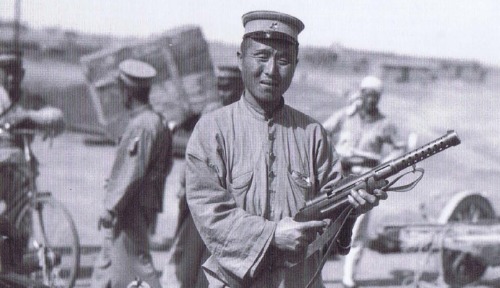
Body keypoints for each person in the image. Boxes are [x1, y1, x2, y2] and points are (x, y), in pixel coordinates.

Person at [184, 11, 387, 288]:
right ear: (240, 58)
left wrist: (352, 210)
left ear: (295, 65)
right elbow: (210, 213)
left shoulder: (313, 134)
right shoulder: (211, 130)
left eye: (283, 60)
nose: (271, 70)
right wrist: (271, 235)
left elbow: (332, 217)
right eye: (262, 56)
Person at [91, 59, 173, 288]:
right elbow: (165, 166)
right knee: (107, 265)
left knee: (139, 269)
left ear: (127, 91)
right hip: (139, 204)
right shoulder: (158, 122)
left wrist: (111, 207)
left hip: (130, 207)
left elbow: (131, 171)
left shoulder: (142, 125)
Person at [162, 65, 244, 288]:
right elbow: (192, 150)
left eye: (228, 87)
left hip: (226, 204)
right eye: (219, 87)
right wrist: (183, 184)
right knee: (184, 257)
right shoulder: (210, 111)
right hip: (198, 198)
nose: (223, 92)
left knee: (213, 265)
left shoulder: (246, 117)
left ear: (241, 87)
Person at [323, 76, 406, 288]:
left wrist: (384, 166)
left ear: (378, 98)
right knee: (328, 221)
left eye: (375, 96)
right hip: (340, 174)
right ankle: (317, 270)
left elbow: (400, 147)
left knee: (357, 226)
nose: (370, 100)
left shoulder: (385, 124)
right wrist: (333, 153)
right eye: (367, 94)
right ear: (361, 94)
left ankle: (348, 277)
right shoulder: (345, 116)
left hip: (367, 176)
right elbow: (322, 132)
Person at [0, 54, 64, 232]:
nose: (11, 78)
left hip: (20, 169)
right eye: (6, 73)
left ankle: (18, 251)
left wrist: (30, 116)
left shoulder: (28, 99)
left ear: (22, 74)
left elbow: (58, 118)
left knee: (21, 220)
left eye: (15, 73)